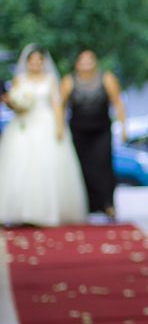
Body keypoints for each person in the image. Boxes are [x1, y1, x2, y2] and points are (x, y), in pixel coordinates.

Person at [0, 44, 87, 226]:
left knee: (46, 166)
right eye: (32, 61)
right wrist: (16, 104)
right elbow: (13, 102)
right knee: (20, 166)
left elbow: (56, 103)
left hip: (45, 123)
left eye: (39, 61)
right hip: (24, 124)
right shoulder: (19, 79)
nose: (35, 64)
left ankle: (46, 211)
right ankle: (20, 211)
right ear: (27, 62)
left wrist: (59, 126)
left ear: (43, 62)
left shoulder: (50, 80)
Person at [60, 49, 126, 219]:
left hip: (101, 129)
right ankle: (87, 205)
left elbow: (118, 102)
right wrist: (59, 128)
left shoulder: (106, 78)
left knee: (103, 164)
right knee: (82, 166)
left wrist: (124, 126)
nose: (86, 64)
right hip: (78, 129)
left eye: (90, 60)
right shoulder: (69, 81)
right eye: (83, 60)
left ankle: (107, 204)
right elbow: (61, 106)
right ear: (77, 64)